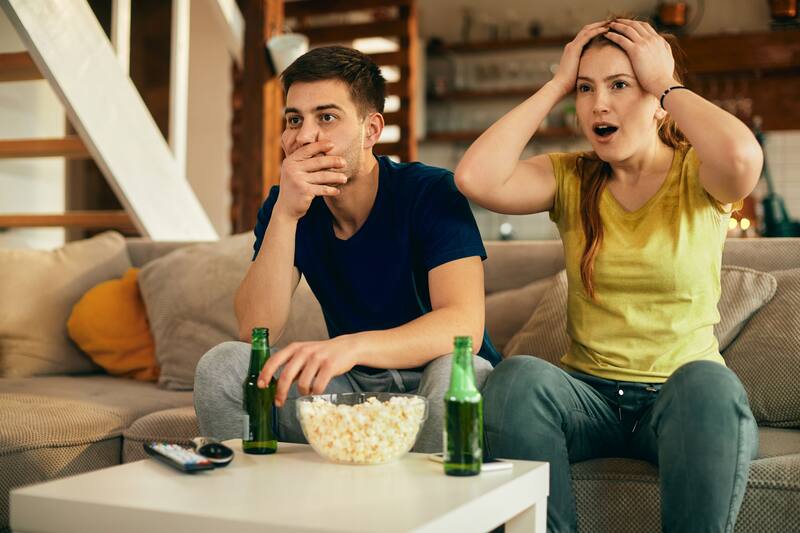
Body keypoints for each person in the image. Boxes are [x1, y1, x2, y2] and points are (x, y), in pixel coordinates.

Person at [454, 18, 762, 533]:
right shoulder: (572, 176)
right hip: (588, 397)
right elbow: (474, 177)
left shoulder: (697, 173)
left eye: (620, 85)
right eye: (586, 88)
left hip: (679, 397)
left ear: (658, 97)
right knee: (515, 380)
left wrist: (668, 82)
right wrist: (555, 82)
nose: (599, 104)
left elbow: (740, 155)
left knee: (711, 384)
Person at [194, 45, 500, 453]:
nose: (304, 136)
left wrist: (349, 346)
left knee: (453, 374)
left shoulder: (430, 191)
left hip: (436, 376)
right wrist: (286, 214)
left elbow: (463, 326)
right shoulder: (286, 204)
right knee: (223, 366)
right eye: (294, 120)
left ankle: (418, 511)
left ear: (371, 130)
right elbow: (254, 330)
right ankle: (254, 504)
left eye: (326, 117)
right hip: (352, 388)